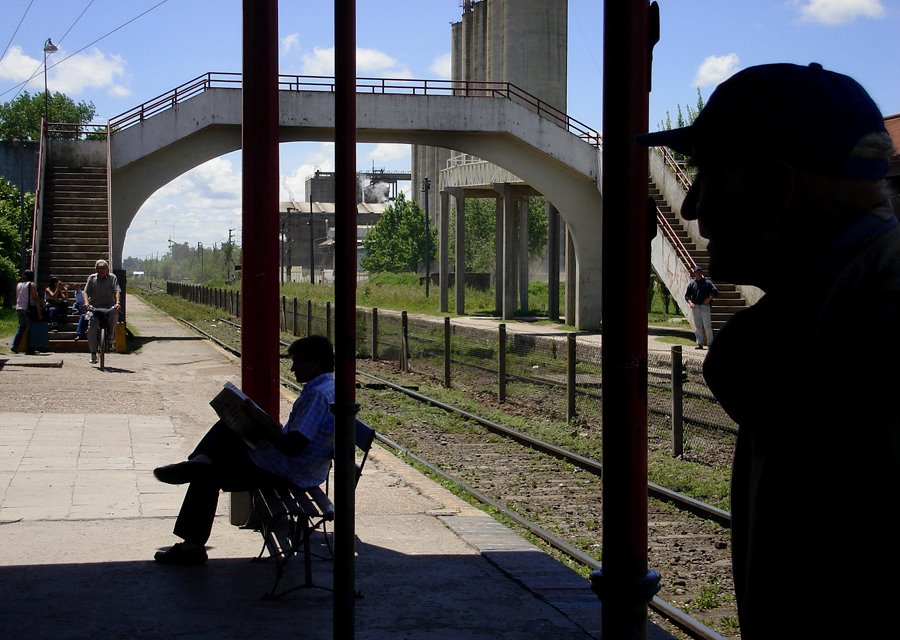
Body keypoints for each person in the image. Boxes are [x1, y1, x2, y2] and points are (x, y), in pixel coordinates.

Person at [638, 62, 899, 639]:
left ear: (773, 189)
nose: (692, 207)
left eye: (711, 176)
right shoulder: (825, 318)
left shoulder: (867, 330)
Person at [152, 335, 336, 565]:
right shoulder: (327, 388)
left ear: (315, 363)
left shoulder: (316, 395)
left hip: (292, 472)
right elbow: (296, 441)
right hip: (300, 467)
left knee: (209, 474)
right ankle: (200, 462)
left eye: (298, 362)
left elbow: (293, 447)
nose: (293, 368)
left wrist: (263, 426)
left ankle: (192, 543)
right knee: (228, 428)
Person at [84, 259, 121, 364]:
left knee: (115, 313)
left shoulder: (112, 278)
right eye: (99, 268)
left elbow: (117, 290)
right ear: (96, 269)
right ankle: (93, 353)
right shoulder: (91, 278)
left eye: (103, 268)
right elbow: (85, 292)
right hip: (95, 307)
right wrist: (86, 303)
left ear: (107, 269)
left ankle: (110, 334)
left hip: (109, 306)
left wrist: (117, 302)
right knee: (91, 329)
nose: (101, 270)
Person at [683, 265, 718, 349]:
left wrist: (709, 298)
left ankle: (710, 344)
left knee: (707, 326)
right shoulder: (692, 283)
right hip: (695, 307)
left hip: (704, 306)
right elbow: (687, 296)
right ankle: (700, 343)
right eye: (696, 273)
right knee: (698, 326)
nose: (698, 274)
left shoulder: (707, 282)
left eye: (699, 272)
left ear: (702, 273)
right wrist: (690, 303)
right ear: (694, 274)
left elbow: (715, 292)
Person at [11, 269, 42, 355]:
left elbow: (17, 297)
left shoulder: (19, 285)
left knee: (22, 327)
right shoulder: (31, 285)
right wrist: (39, 313)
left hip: (19, 308)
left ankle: (15, 345)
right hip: (27, 309)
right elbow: (35, 299)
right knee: (30, 328)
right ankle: (29, 348)